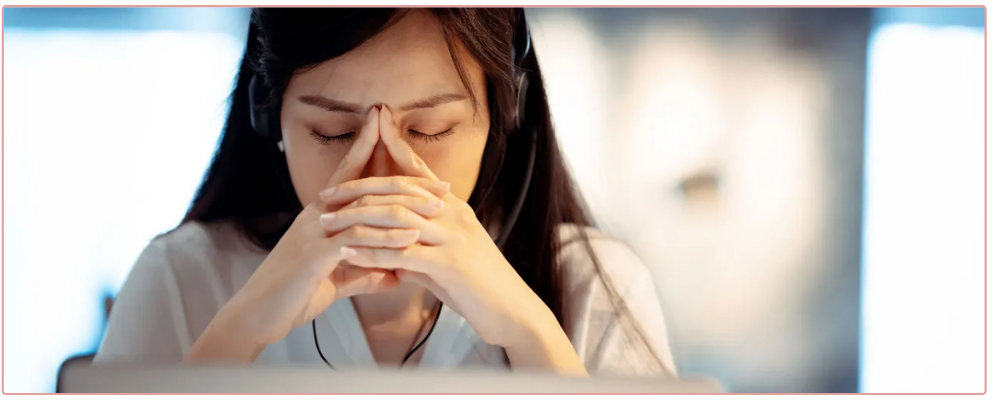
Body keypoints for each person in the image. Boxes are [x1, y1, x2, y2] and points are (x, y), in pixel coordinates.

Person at [93, 7, 677, 377]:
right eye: (335, 132)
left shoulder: (594, 286)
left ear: (502, 119)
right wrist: (240, 330)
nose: (380, 175)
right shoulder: (181, 279)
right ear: (269, 119)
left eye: (429, 130)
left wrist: (529, 331)